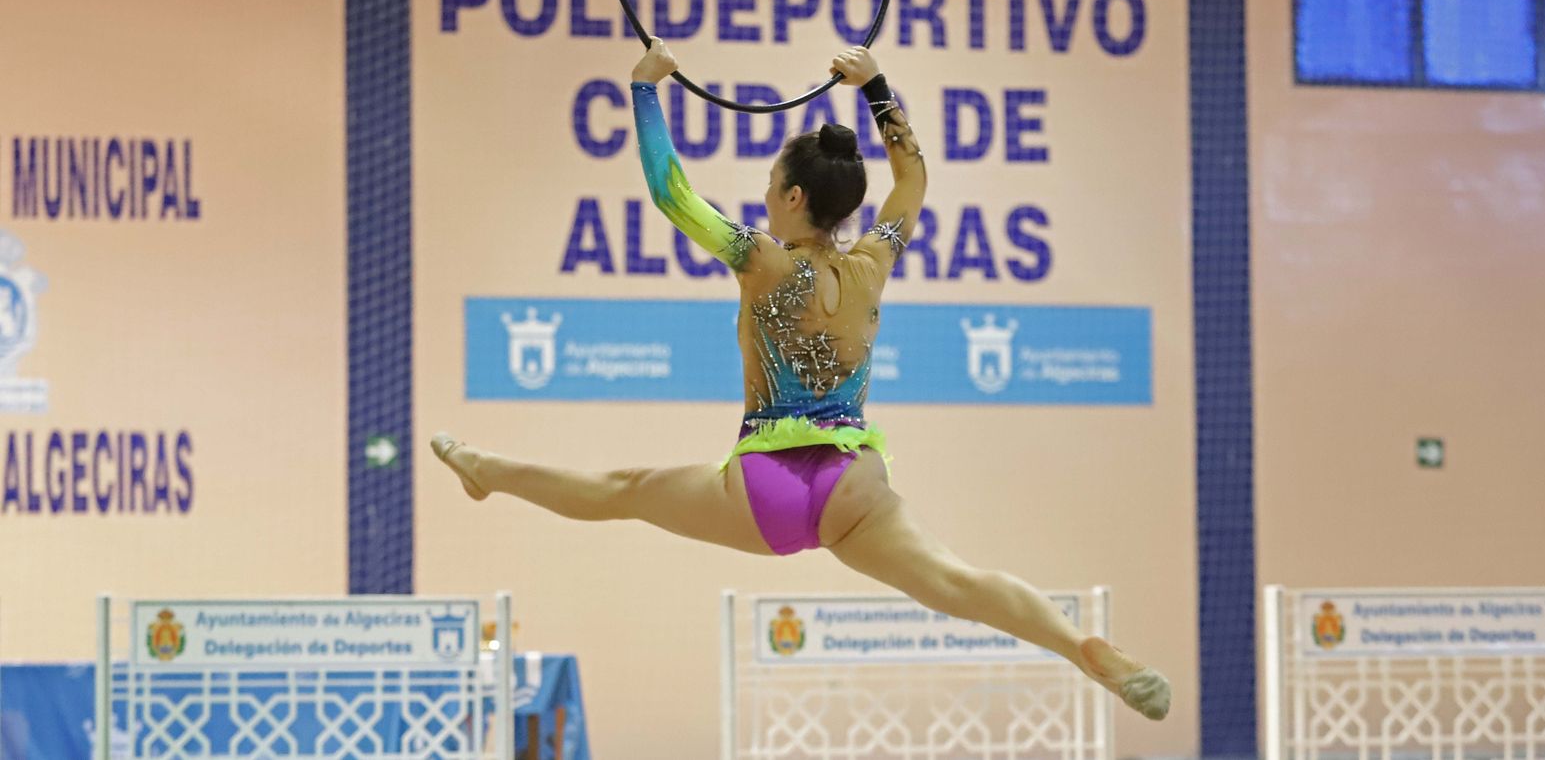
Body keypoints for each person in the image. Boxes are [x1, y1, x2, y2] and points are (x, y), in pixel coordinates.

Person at [433, 40, 1170, 720]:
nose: (762, 197)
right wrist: (876, 86)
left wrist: (644, 92)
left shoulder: (761, 259)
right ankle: (1081, 648)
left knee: (622, 489)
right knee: (960, 583)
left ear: (791, 199)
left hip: (766, 485)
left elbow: (671, 193)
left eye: (768, 185)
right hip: (854, 479)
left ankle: (485, 469)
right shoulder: (872, 262)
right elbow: (912, 176)